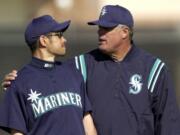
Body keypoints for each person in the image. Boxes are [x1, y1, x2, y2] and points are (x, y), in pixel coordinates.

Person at [2, 5, 180, 135]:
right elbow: (44, 72)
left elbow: (169, 124)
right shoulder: (81, 65)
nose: (100, 32)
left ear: (125, 32)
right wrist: (16, 80)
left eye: (106, 28)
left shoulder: (154, 69)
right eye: (99, 27)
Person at [0, 15, 97, 135]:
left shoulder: (73, 73)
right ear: (43, 40)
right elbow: (17, 132)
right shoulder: (19, 82)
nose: (64, 40)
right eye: (59, 35)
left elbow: (86, 120)